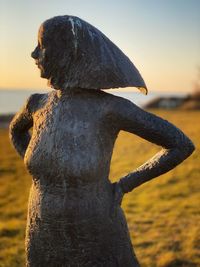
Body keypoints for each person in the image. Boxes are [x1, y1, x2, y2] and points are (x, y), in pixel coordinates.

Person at [9, 15, 195, 267]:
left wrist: (125, 185)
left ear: (67, 52)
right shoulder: (36, 104)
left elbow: (180, 144)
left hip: (96, 230)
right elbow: (16, 132)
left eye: (42, 44)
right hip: (42, 229)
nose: (33, 53)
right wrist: (42, 168)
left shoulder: (109, 109)